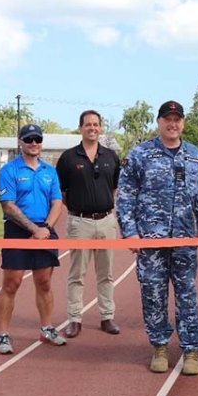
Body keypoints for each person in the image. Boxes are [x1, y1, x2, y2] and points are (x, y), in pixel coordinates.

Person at [116, 100, 198, 376]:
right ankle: (159, 346)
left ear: (182, 123)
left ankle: (190, 349)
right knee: (153, 294)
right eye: (167, 119)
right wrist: (131, 232)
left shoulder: (195, 156)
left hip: (184, 239)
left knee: (186, 295)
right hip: (151, 241)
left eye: (177, 119)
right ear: (159, 122)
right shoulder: (140, 155)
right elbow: (125, 196)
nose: (173, 124)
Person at [0, 124, 66, 354]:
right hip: (18, 230)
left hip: (45, 230)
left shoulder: (49, 171)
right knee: (12, 283)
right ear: (20, 142)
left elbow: (57, 202)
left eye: (37, 139)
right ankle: (3, 334)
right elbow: (8, 206)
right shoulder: (9, 170)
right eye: (29, 139)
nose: (33, 143)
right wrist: (33, 229)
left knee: (44, 282)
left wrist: (45, 227)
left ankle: (47, 328)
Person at [56, 110, 121, 338]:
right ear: (80, 128)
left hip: (105, 222)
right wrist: (77, 208)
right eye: (87, 125)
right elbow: (61, 192)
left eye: (96, 124)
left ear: (100, 128)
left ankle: (107, 316)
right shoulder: (68, 158)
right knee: (77, 274)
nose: (92, 128)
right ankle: (74, 318)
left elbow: (113, 188)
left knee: (106, 274)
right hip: (79, 222)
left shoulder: (111, 157)